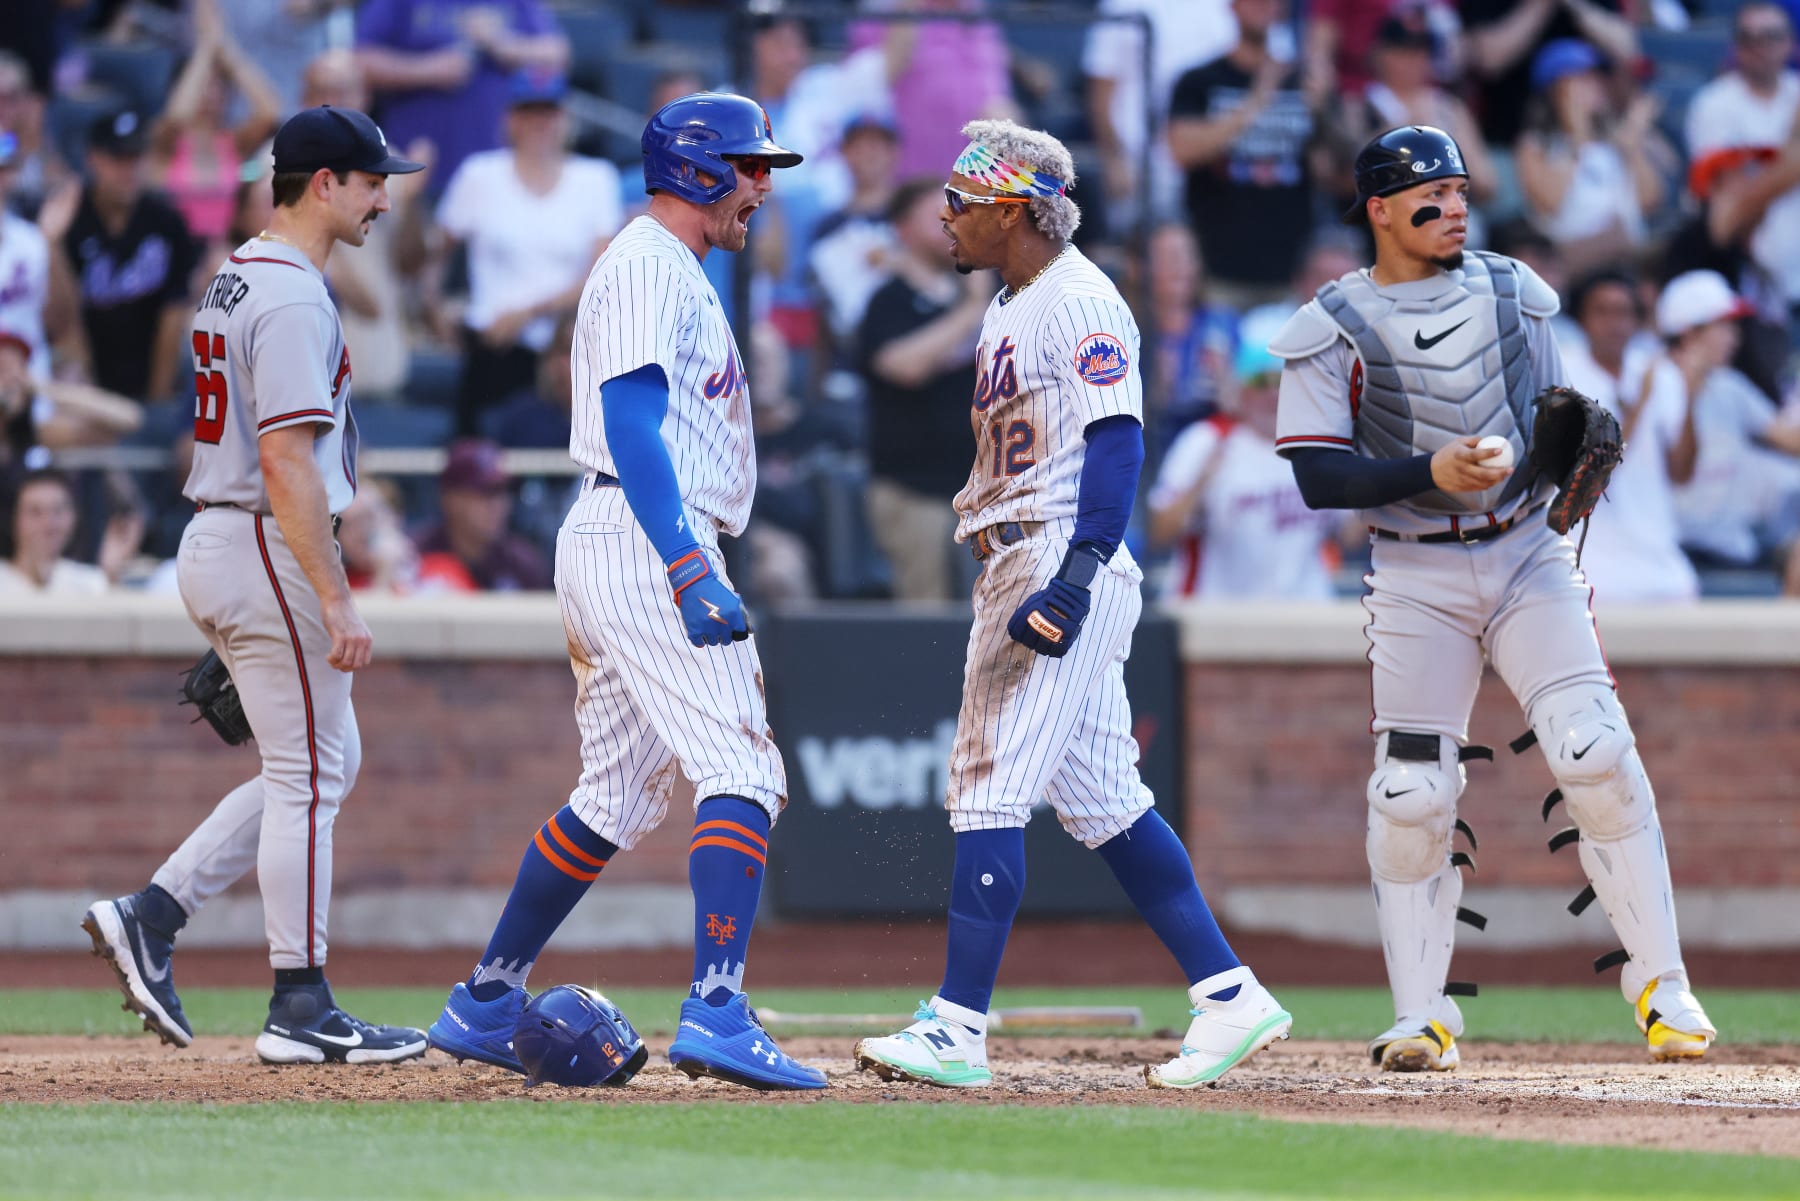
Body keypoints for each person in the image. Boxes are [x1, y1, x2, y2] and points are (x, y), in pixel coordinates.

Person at [853, 119, 1292, 1091]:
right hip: (1020, 552)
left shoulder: (1080, 296)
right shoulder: (1013, 302)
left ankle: (958, 1027)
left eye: (964, 204)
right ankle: (1229, 995)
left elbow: (1118, 440)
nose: (946, 218)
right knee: (1106, 802)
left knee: (987, 785)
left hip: (1056, 556)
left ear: (1015, 211)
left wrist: (1079, 572)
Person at [1271, 125, 1717, 1070]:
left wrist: (1561, 458)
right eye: (1429, 195)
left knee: (1594, 749)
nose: (1453, 207)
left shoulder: (1518, 290)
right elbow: (1316, 477)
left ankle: (1664, 986)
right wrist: (1428, 466)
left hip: (1524, 552)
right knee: (1410, 792)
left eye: (1461, 191)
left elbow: (1557, 417)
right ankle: (1421, 1013)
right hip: (1414, 567)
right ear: (1380, 211)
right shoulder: (1333, 321)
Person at [423, 92, 827, 1092]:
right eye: (748, 166)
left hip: (620, 535)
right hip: (652, 534)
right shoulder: (649, 262)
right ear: (695, 170)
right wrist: (688, 564)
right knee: (742, 761)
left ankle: (484, 999)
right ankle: (720, 1008)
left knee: (617, 794)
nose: (763, 186)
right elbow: (632, 421)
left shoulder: (668, 267)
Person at [80, 105, 431, 1066]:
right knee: (313, 774)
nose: (382, 198)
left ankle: (150, 914)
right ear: (323, 182)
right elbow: (285, 462)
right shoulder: (290, 296)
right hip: (262, 536)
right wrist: (338, 597)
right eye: (370, 180)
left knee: (318, 765)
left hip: (227, 537)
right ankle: (300, 1001)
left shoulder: (237, 275)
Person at [433, 68, 622, 436]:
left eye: (548, 112)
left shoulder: (596, 178)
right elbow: (436, 253)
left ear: (564, 118)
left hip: (566, 350)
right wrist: (435, 306)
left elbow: (600, 272)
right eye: (528, 112)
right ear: (511, 119)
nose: (539, 123)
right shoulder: (480, 174)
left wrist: (528, 312)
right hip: (492, 344)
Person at [1147, 310, 1343, 600]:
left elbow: (1352, 536)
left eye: (1282, 381)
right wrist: (1201, 484)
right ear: (1240, 388)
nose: (1273, 394)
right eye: (1259, 382)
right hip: (1219, 624)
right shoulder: (1207, 440)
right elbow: (1159, 533)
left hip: (1305, 621)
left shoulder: (1322, 446)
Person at [857, 178, 988, 601]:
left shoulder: (989, 294)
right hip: (913, 491)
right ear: (902, 228)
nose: (950, 225)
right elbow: (904, 367)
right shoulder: (888, 300)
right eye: (936, 217)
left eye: (956, 214)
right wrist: (971, 309)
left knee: (990, 623)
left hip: (983, 494)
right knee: (923, 625)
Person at [1558, 270, 1703, 605]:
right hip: (1593, 559)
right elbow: (1594, 473)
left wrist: (1690, 398)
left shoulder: (1658, 372)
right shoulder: (1565, 372)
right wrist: (1640, 402)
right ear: (1582, 318)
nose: (1614, 323)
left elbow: (1682, 473)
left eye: (1623, 312)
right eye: (1602, 311)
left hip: (1660, 556)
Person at [1166, 0, 1319, 311]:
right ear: (1233, 7)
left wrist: (1324, 110)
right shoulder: (1199, 79)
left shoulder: (1303, 82)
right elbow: (1181, 150)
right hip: (1217, 272)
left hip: (1289, 274)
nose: (1264, 6)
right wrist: (1257, 100)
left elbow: (1331, 170)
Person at [47, 109, 199, 403]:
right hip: (86, 366)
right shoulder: (70, 220)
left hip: (149, 359)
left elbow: (173, 311)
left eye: (136, 157)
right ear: (93, 158)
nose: (128, 169)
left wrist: (157, 399)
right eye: (118, 158)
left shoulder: (166, 220)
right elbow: (65, 320)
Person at [354, 0, 570, 198]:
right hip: (415, 165)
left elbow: (557, 55)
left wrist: (501, 42)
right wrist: (428, 69)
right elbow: (359, 62)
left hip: (496, 166)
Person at [1683, 3, 1800, 321]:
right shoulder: (1714, 104)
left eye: (1772, 37)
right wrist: (1792, 156)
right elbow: (1729, 209)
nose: (1761, 48)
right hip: (1757, 284)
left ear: (1790, 42)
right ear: (1736, 46)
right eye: (1749, 38)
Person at [1513, 39, 1663, 277]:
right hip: (1574, 265)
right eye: (1583, 78)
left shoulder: (1615, 141)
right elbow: (1551, 201)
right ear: (1557, 89)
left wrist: (1633, 146)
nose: (1597, 85)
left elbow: (1650, 201)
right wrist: (1576, 134)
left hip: (1629, 261)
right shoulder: (1536, 144)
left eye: (1597, 77)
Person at [148, 0, 283, 247]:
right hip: (173, 253)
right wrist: (205, 48)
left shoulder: (234, 142)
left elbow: (270, 111)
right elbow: (178, 116)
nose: (210, 94)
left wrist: (226, 48)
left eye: (218, 86)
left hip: (227, 253)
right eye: (203, 85)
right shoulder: (166, 139)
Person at [410, 437, 550, 591]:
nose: (498, 505)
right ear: (450, 499)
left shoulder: (523, 564)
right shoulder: (414, 556)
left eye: (502, 492)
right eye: (485, 493)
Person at [0, 467, 138, 593]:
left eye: (58, 511)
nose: (49, 524)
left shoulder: (90, 581)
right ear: (14, 518)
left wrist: (111, 576)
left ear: (74, 517)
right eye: (35, 512)